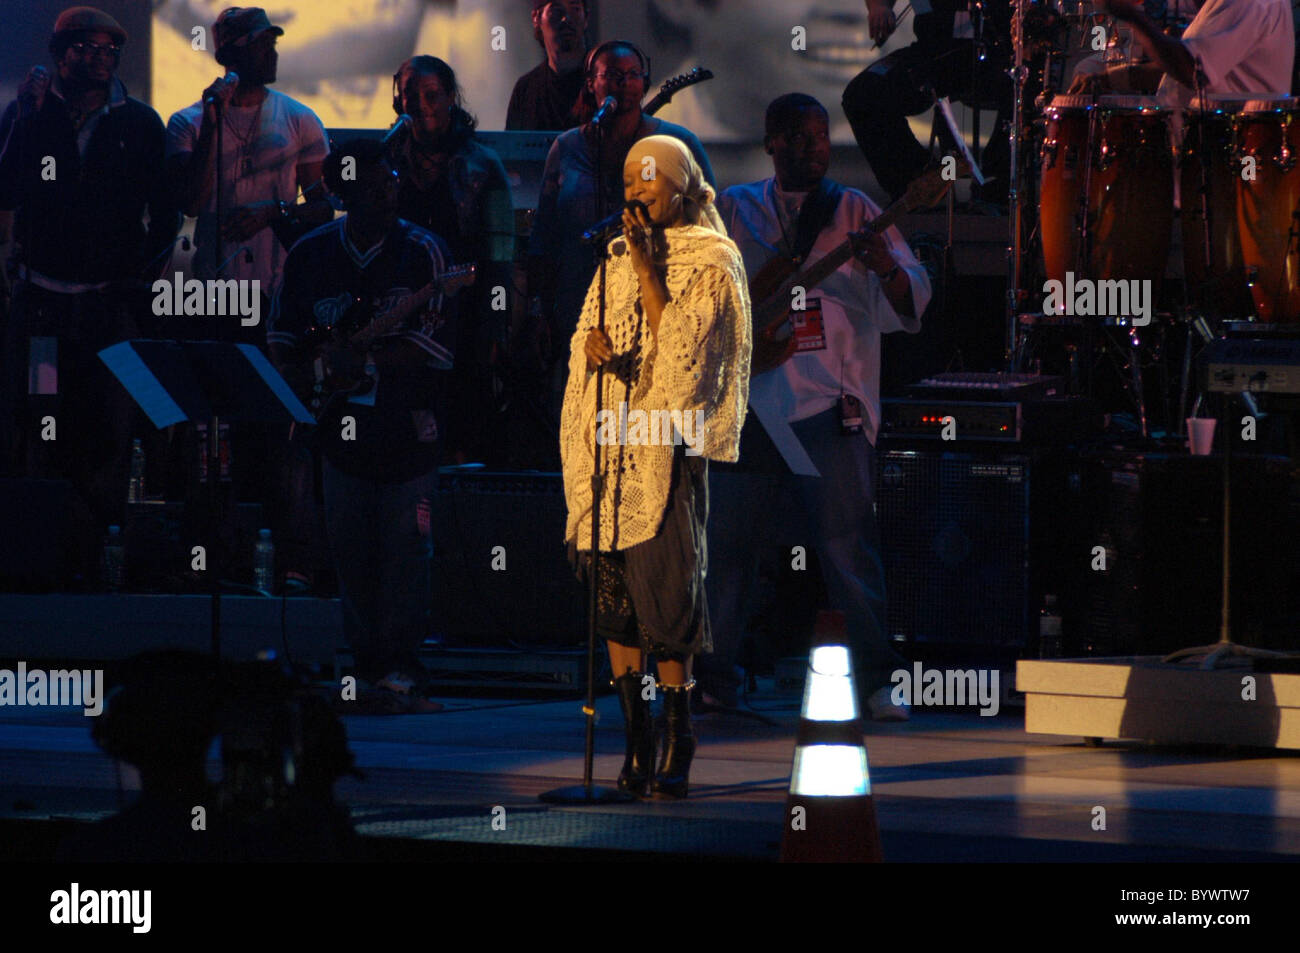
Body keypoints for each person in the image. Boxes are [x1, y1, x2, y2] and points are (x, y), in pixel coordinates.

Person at [706, 93, 931, 719]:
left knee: (845, 547)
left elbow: (912, 296)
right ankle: (713, 677)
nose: (813, 147)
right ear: (771, 140)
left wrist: (885, 266)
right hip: (752, 403)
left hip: (829, 403)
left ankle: (878, 681)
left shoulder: (856, 210)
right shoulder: (735, 208)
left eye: (820, 136)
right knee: (727, 551)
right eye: (799, 137)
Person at [560, 135, 751, 798]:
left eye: (650, 182)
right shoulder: (611, 256)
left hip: (664, 448)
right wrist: (592, 347)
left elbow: (685, 364)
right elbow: (588, 338)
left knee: (666, 603)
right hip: (613, 447)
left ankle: (681, 731)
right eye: (629, 185)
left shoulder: (711, 259)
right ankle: (637, 731)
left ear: (680, 185)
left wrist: (647, 271)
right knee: (615, 605)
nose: (636, 195)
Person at [268, 139, 452, 715]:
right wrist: (314, 375)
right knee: (349, 550)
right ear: (344, 193)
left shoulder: (424, 253)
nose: (387, 192)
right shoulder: (310, 254)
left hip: (406, 430)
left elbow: (435, 344)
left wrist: (365, 362)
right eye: (372, 186)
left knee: (404, 548)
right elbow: (282, 338)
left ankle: (404, 671)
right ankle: (367, 669)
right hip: (336, 429)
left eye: (391, 181)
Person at [0, 6, 179, 579]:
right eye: (87, 49)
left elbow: (168, 209)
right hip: (44, 304)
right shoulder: (29, 112)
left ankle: (98, 562)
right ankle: (36, 562)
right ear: (60, 53)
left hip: (108, 306)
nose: (100, 59)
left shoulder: (140, 124)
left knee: (109, 429)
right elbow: (6, 188)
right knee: (39, 423)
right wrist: (27, 118)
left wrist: (143, 269)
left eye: (109, 51)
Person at [530, 41, 715, 425]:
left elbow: (708, 225)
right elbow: (545, 236)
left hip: (654, 308)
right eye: (613, 75)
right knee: (583, 426)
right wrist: (540, 311)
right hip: (579, 310)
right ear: (592, 83)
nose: (625, 83)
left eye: (633, 75)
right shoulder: (566, 147)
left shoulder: (677, 144)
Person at [165, 5, 332, 318]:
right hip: (215, 286)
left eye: (272, 46)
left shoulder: (300, 119)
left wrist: (273, 213)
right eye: (260, 46)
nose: (271, 55)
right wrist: (212, 128)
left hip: (280, 285)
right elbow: (191, 204)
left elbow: (322, 210)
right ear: (229, 54)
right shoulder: (189, 122)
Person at [388, 55, 514, 464]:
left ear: (451, 98)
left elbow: (500, 253)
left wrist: (497, 323)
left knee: (463, 412)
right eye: (411, 94)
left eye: (431, 95)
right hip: (402, 309)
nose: (421, 104)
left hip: (467, 310)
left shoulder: (482, 163)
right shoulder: (388, 162)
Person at [842, 0, 1012, 203]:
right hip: (935, 51)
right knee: (863, 93)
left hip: (999, 52)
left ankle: (998, 183)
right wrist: (880, 7)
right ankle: (918, 182)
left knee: (1023, 85)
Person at [1083, 0, 1294, 104]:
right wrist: (1110, 79)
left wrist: (1128, 14)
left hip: (1236, 152)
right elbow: (1192, 68)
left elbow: (1190, 68)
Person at [506, 0, 591, 131]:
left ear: (586, 18)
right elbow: (512, 148)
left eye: (575, 9)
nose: (566, 19)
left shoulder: (602, 81)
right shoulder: (526, 89)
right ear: (536, 18)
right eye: (556, 11)